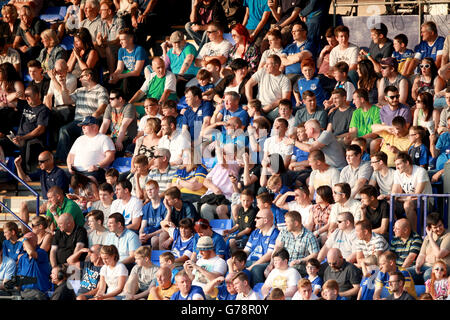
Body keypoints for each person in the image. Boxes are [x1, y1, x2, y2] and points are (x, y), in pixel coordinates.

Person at [55, 68, 109, 163]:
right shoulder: (79, 90)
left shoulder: (101, 90)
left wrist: (91, 119)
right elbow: (66, 101)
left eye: (81, 76)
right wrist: (63, 85)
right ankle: (63, 160)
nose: (79, 79)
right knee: (64, 130)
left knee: (84, 134)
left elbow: (103, 106)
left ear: (88, 76)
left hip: (93, 121)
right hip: (78, 121)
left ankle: (82, 161)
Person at [0, 84, 49, 174]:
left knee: (26, 144)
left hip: (34, 140)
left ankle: (25, 173)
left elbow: (40, 130)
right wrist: (16, 94)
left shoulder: (43, 110)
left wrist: (23, 138)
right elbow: (6, 101)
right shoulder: (24, 104)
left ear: (37, 95)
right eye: (25, 96)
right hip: (18, 138)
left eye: (28, 96)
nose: (26, 98)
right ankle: (3, 166)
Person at [15, 150, 69, 222]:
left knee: (48, 206)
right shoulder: (41, 172)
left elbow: (59, 195)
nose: (39, 163)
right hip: (44, 201)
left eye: (42, 161)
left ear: (51, 160)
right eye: (39, 161)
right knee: (23, 205)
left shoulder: (60, 173)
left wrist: (47, 203)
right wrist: (18, 165)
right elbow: (24, 179)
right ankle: (26, 233)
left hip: (58, 202)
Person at [66, 115, 115, 183]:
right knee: (62, 177)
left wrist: (97, 166)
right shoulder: (79, 139)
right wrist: (69, 166)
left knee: (89, 181)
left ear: (94, 127)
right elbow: (71, 155)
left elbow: (110, 157)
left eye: (85, 125)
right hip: (76, 171)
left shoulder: (104, 138)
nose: (83, 127)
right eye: (82, 126)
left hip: (94, 171)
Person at [391, 152, 433, 232]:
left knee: (408, 204)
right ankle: (396, 232)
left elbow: (417, 194)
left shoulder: (420, 171)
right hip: (408, 200)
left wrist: (402, 198)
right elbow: (394, 194)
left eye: (399, 164)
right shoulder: (397, 173)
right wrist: (394, 198)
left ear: (407, 163)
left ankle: (415, 234)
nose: (397, 167)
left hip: (425, 201)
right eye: (396, 165)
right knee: (389, 203)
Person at [244, 54, 291, 121]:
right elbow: (248, 85)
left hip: (274, 107)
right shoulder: (263, 71)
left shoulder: (285, 80)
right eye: (266, 63)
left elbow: (285, 99)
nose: (265, 66)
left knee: (279, 112)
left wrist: (270, 106)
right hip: (259, 105)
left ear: (276, 65)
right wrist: (251, 104)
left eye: (268, 64)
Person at [272, 210, 319, 277]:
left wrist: (300, 261)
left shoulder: (309, 236)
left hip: (300, 267)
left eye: (287, 222)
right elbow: (277, 248)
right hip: (283, 263)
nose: (285, 224)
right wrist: (271, 263)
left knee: (289, 272)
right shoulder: (284, 231)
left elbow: (315, 254)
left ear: (296, 223)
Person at [410, 212, 450, 284]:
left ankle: (429, 294)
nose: (438, 228)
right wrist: (418, 265)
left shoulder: (448, 236)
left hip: (442, 267)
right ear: (429, 228)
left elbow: (439, 254)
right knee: (405, 272)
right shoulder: (427, 237)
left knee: (428, 274)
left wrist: (431, 238)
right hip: (426, 266)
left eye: (440, 225)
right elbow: (422, 254)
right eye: (435, 227)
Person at [109, 28, 148, 100]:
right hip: (128, 74)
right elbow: (119, 69)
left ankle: (125, 101)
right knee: (109, 80)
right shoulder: (121, 50)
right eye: (120, 40)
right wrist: (114, 75)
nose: (120, 42)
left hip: (140, 77)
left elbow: (137, 72)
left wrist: (120, 76)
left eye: (122, 40)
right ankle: (113, 101)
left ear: (130, 39)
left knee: (127, 80)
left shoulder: (139, 50)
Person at [243, 208, 279, 285]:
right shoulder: (255, 232)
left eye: (257, 218)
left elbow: (269, 255)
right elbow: (246, 251)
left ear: (265, 220)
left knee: (256, 269)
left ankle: (259, 292)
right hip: (250, 261)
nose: (255, 219)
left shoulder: (275, 233)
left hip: (265, 262)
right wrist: (238, 259)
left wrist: (251, 266)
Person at [100, 88, 137, 156]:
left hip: (127, 137)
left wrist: (119, 141)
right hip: (114, 137)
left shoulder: (129, 107)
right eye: (109, 98)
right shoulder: (109, 107)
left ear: (120, 99)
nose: (109, 100)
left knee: (115, 150)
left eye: (112, 98)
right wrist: (98, 139)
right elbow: (105, 124)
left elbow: (124, 125)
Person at [139, 180, 167, 248]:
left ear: (157, 189)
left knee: (154, 240)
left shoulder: (165, 205)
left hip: (160, 233)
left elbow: (165, 228)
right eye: (147, 190)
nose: (149, 192)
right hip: (148, 234)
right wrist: (141, 234)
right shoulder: (146, 207)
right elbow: (143, 226)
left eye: (151, 189)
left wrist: (149, 235)